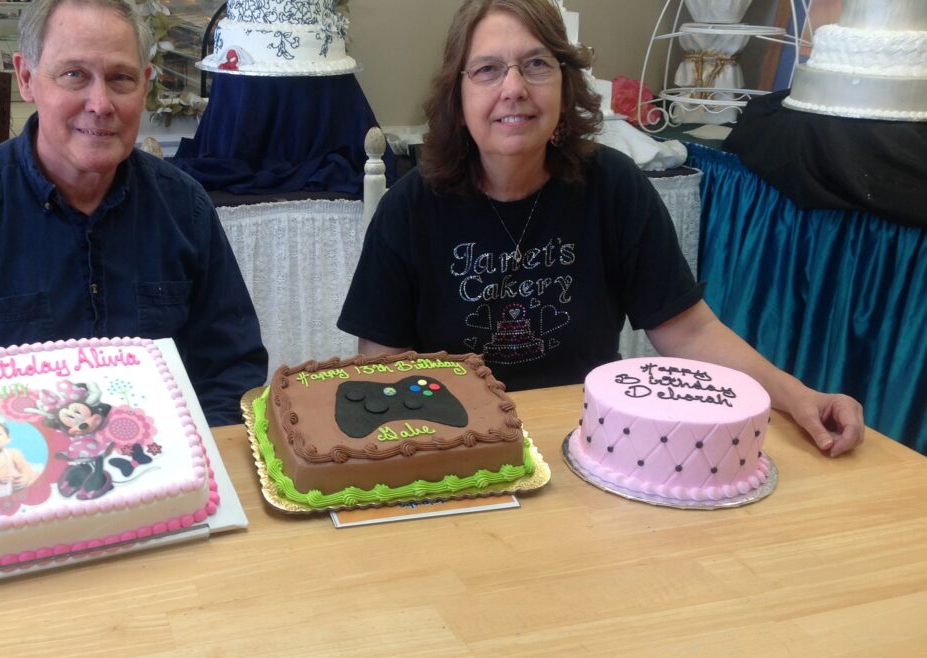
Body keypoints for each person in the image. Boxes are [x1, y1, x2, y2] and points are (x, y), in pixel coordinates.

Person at [337, 0, 864, 456]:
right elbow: (380, 365)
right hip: (457, 444)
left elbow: (690, 331)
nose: (514, 88)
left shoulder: (614, 186)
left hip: (591, 444)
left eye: (536, 65)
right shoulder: (411, 206)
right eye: (488, 70)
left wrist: (798, 398)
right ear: (459, 95)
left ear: (566, 87)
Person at [0, 0, 267, 427]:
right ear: (27, 78)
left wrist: (203, 460)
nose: (100, 103)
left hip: (165, 476)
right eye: (74, 75)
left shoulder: (184, 210)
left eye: (120, 78)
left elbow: (231, 370)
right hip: (11, 478)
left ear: (145, 85)